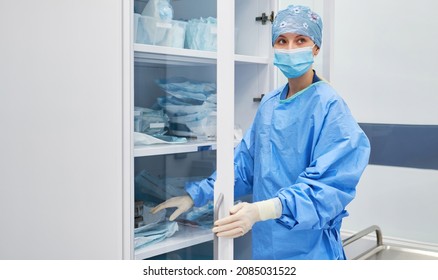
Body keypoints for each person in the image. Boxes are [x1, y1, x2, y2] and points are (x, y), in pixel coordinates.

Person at [151, 5, 371, 260]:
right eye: (282, 40)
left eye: (300, 40)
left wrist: (261, 211)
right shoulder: (270, 103)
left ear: (316, 48)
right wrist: (196, 195)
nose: (290, 49)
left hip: (311, 249)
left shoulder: (330, 107)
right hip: (267, 247)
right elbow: (244, 166)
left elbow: (328, 188)